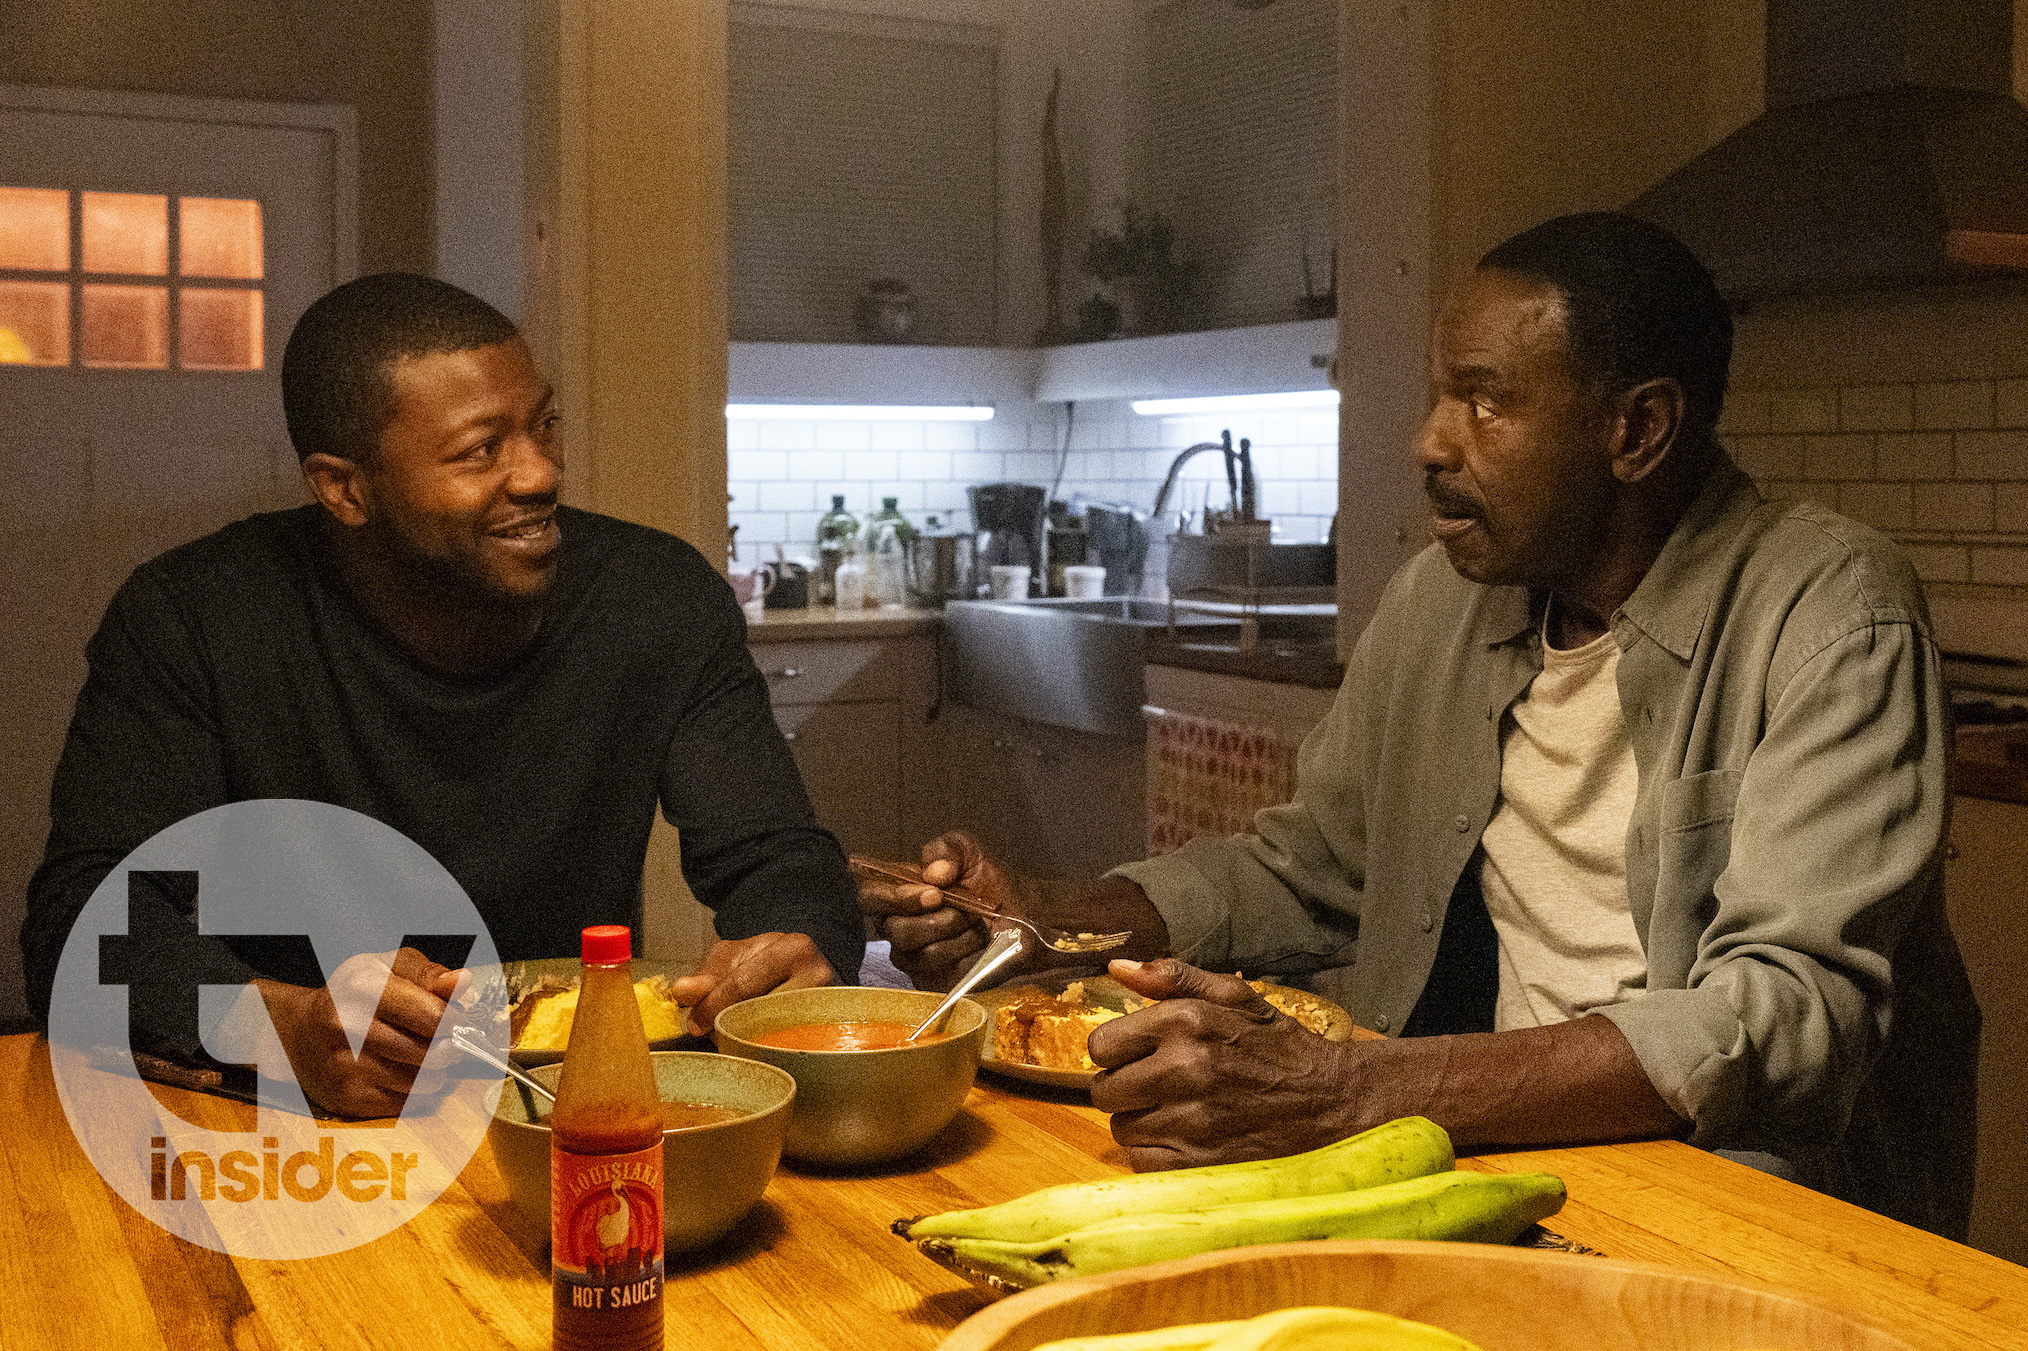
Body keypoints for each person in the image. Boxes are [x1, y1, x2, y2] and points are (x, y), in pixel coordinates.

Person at [862, 213, 1979, 1238]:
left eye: (1485, 402)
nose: (1431, 442)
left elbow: (1784, 1010)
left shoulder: (1832, 613)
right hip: (1517, 1170)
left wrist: (1352, 1089)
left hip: (1757, 1208)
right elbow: (1307, 869)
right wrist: (1042, 918)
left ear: (1638, 429)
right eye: (1442, 395)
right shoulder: (1443, 601)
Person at [24, 273, 861, 1117]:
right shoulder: (195, 618)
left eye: (544, 425)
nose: (541, 472)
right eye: (480, 450)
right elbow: (82, 924)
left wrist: (795, 943)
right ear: (345, 489)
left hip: (571, 1107)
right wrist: (281, 1027)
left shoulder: (656, 598)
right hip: (307, 1124)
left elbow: (778, 855)